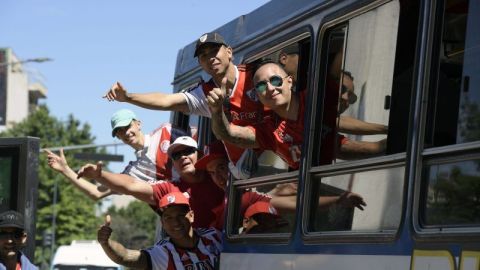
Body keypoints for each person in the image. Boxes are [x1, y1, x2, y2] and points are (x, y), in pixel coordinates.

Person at [103, 32, 271, 179]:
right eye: (204, 56)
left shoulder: (256, 76)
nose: (210, 57)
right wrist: (128, 97)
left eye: (214, 51)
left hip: (278, 160)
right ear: (201, 64)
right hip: (247, 174)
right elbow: (166, 100)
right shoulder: (204, 93)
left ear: (229, 52)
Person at [209, 61, 387, 169]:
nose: (270, 88)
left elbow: (337, 122)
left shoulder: (314, 98)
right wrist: (217, 112)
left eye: (275, 81)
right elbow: (229, 134)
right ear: (257, 95)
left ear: (289, 82)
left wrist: (386, 130)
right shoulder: (268, 131)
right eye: (262, 86)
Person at [194, 140, 366, 230]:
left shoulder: (245, 195)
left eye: (222, 167)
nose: (218, 176)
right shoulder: (228, 197)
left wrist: (338, 200)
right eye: (212, 172)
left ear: (236, 165)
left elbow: (295, 204)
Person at [77, 136, 225, 229]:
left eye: (188, 151)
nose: (183, 157)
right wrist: (100, 175)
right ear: (173, 164)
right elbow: (131, 185)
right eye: (176, 155)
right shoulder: (170, 188)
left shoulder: (219, 174)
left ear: (199, 154)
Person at [45, 109, 187, 201]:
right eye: (119, 131)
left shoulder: (165, 132)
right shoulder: (132, 171)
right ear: (118, 137)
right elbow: (96, 192)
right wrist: (66, 170)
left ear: (138, 124)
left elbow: (197, 150)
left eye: (128, 126)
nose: (125, 133)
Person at [98, 191, 221, 270]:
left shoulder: (215, 237)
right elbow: (124, 256)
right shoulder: (162, 252)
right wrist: (106, 243)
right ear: (162, 223)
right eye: (168, 217)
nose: (175, 222)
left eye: (180, 215)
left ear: (191, 216)